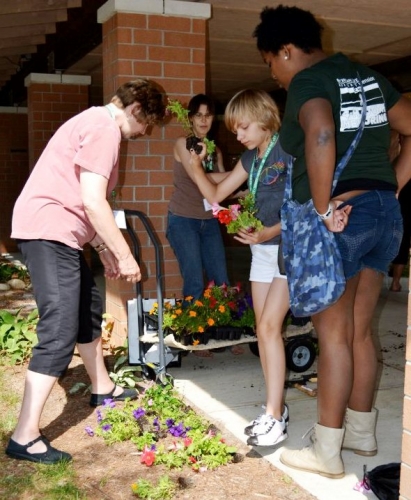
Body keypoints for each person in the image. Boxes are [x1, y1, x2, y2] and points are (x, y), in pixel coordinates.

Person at [253, 4, 411, 478]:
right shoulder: (367, 77)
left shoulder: (309, 82)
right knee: (361, 330)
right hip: (383, 214)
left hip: (339, 217)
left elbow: (320, 133)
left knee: (334, 335)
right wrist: (393, 184)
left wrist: (324, 210)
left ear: (285, 50)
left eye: (271, 64)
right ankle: (361, 434)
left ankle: (325, 452)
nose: (276, 76)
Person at [6, 79, 166, 464]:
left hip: (61, 232)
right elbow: (94, 202)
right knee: (60, 329)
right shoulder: (104, 129)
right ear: (137, 110)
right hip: (50, 231)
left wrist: (101, 248)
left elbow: (81, 199)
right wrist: (125, 255)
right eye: (147, 125)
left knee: (87, 309)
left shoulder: (95, 123)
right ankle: (25, 435)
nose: (144, 133)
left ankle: (102, 386)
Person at [189, 88, 294, 446]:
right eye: (234, 130)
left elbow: (306, 205)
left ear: (265, 119)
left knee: (268, 326)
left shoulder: (289, 149)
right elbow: (217, 195)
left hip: (287, 250)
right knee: (264, 332)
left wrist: (270, 230)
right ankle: (275, 408)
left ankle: (274, 415)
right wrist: (195, 166)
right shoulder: (252, 157)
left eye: (243, 127)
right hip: (262, 252)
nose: (238, 135)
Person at [166, 94, 229, 301]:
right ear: (191, 118)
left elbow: (223, 188)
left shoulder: (216, 151)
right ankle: (193, 331)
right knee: (194, 283)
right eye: (199, 115)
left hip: (209, 220)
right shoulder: (183, 144)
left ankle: (221, 328)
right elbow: (197, 177)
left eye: (208, 116)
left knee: (220, 281)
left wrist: (250, 185)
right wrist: (242, 172)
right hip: (183, 220)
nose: (203, 120)